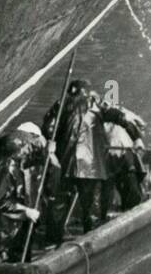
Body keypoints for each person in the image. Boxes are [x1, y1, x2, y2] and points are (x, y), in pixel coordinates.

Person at [43, 80, 145, 235]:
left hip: (65, 161)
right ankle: (89, 233)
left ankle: (54, 237)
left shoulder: (60, 104)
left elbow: (48, 127)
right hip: (89, 163)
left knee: (61, 199)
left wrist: (51, 143)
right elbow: (119, 116)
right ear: (87, 91)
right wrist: (136, 137)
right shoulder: (95, 102)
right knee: (89, 202)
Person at [0, 122, 53, 261]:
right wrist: (26, 212)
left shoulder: (8, 151)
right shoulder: (9, 162)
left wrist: (48, 152)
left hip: (1, 228)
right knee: (9, 261)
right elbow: (3, 201)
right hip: (2, 235)